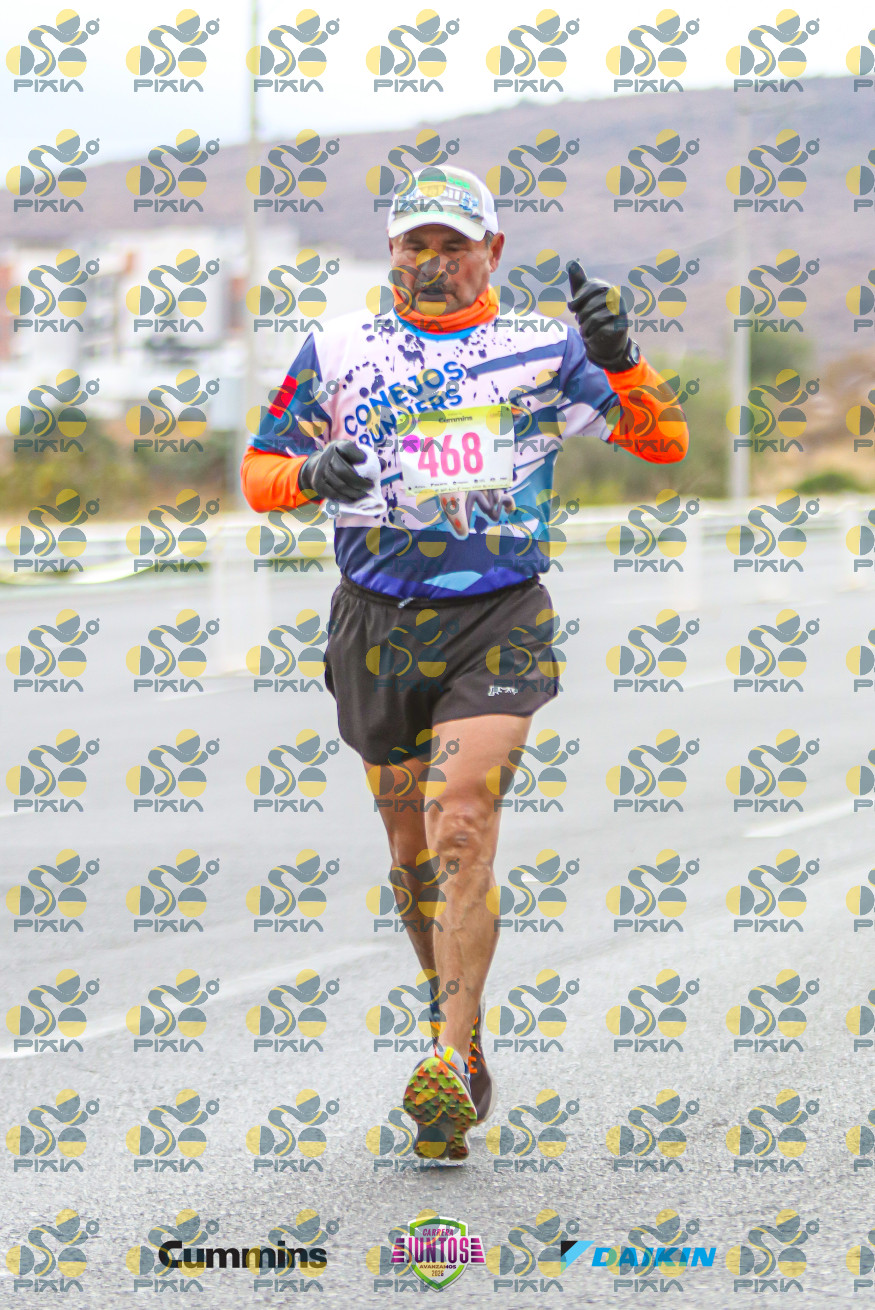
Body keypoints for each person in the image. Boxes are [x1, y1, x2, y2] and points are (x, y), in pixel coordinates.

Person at [240, 166, 689, 1161]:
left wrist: (620, 360)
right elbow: (259, 473)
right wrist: (311, 471)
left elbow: (661, 442)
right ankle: (464, 1031)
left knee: (461, 821)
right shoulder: (338, 349)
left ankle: (443, 1056)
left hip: (497, 613)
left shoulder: (542, 347)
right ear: (392, 252)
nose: (433, 262)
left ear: (492, 251)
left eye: (454, 245)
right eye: (416, 244)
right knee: (411, 857)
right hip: (375, 623)